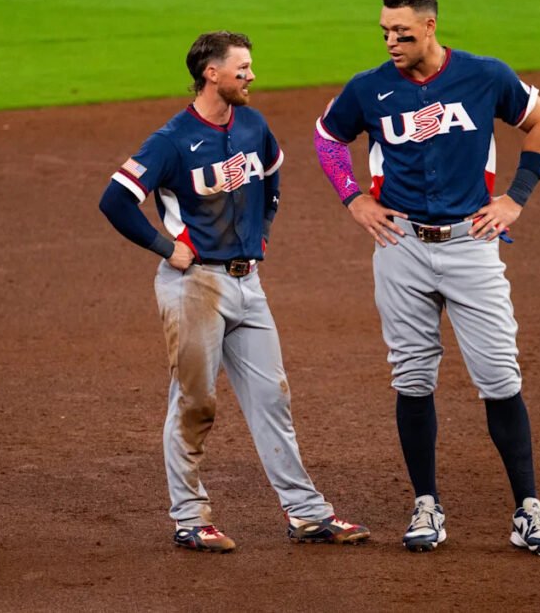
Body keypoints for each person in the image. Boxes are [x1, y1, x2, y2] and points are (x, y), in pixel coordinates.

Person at [313, 0, 540, 555]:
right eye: (384, 32)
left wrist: (515, 199)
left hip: (470, 245)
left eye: (402, 32)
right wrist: (353, 198)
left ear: (430, 26)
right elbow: (327, 138)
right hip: (400, 245)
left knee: (500, 377)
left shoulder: (484, 75)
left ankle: (528, 510)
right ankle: (425, 503)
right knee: (411, 377)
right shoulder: (369, 87)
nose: (391, 42)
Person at [99, 31, 369, 553]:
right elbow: (115, 199)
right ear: (212, 74)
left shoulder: (252, 124)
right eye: (241, 68)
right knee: (195, 402)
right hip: (194, 286)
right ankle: (189, 518)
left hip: (250, 285)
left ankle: (307, 513)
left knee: (273, 398)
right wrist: (165, 247)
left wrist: (261, 232)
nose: (251, 76)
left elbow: (272, 178)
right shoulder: (172, 140)